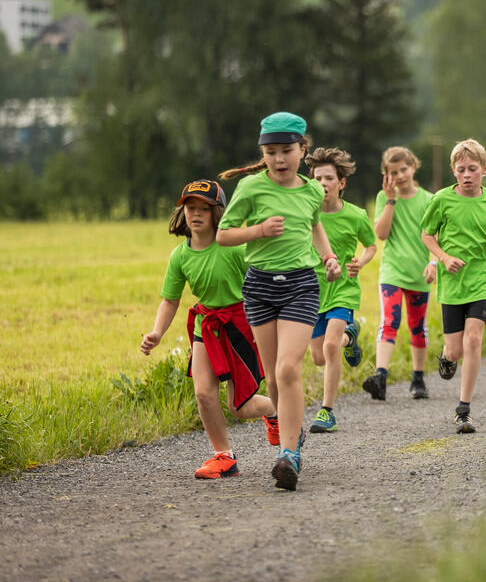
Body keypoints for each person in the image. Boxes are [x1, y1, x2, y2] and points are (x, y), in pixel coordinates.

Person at [218, 112, 341, 491]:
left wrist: (328, 256)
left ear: (302, 150)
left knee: (289, 369)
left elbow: (314, 223)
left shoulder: (310, 191)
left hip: (301, 286)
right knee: (272, 376)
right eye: (271, 152)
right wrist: (258, 230)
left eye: (286, 150)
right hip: (259, 287)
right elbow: (223, 235)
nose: (279, 158)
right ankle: (291, 427)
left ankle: (288, 455)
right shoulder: (252, 189)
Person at [140, 180, 277, 479]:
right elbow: (170, 300)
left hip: (241, 323)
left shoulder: (234, 247)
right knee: (203, 393)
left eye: (204, 208)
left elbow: (259, 284)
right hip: (207, 324)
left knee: (239, 407)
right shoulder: (180, 256)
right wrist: (157, 333)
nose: (196, 214)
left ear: (218, 213)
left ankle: (277, 411)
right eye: (191, 208)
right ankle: (223, 456)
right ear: (183, 212)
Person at [421, 139, 486, 433]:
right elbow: (427, 236)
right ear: (453, 171)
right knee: (455, 349)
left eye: (473, 169)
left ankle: (463, 409)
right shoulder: (441, 200)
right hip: (452, 283)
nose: (467, 174)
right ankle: (446, 357)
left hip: (482, 279)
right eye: (461, 170)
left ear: (484, 169)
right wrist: (443, 258)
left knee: (473, 341)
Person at [304, 147, 377, 433]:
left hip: (343, 289)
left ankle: (327, 411)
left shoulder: (356, 216)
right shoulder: (305, 215)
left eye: (328, 178)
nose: (322, 184)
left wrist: (361, 261)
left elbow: (371, 245)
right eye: (317, 178)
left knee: (330, 346)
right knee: (319, 357)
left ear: (341, 183)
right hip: (311, 292)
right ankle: (351, 335)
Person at [364, 147, 437, 401]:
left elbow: (437, 237)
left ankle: (418, 379)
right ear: (386, 176)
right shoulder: (385, 198)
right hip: (392, 273)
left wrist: (434, 262)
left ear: (413, 168)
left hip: (419, 273)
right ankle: (381, 376)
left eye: (403, 170)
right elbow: (381, 234)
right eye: (393, 172)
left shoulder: (428, 199)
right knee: (390, 322)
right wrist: (391, 199)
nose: (400, 176)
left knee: (417, 327)